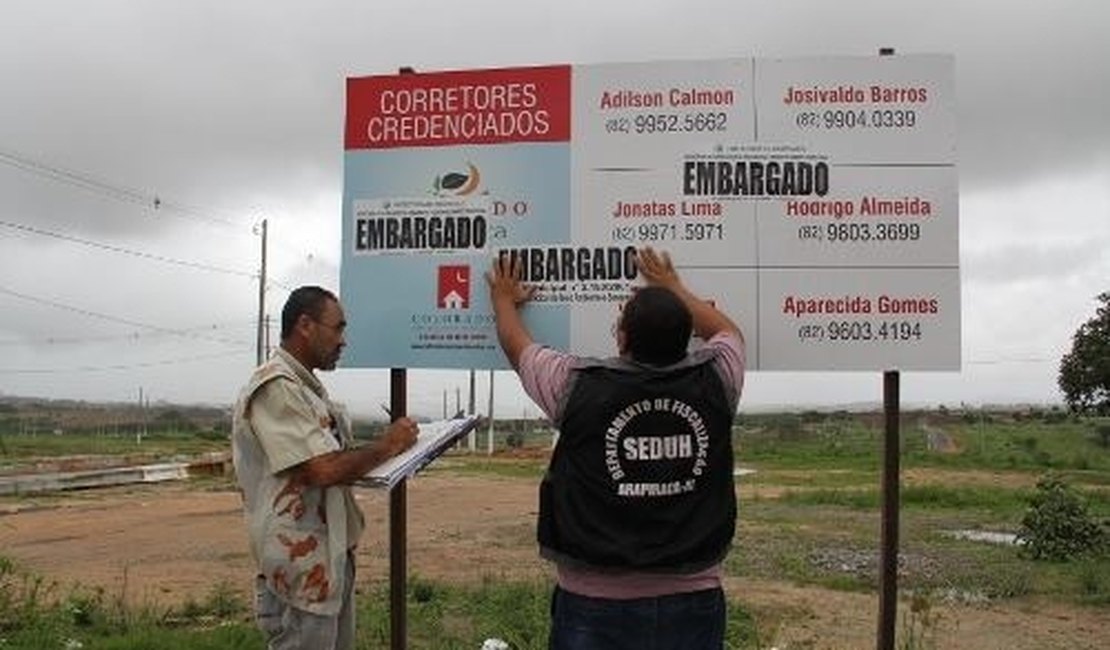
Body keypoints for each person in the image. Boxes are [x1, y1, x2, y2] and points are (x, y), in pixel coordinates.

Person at [487, 246, 745, 650]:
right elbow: (728, 332)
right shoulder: (718, 378)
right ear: (687, 338)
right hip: (694, 596)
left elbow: (518, 347)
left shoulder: (574, 386)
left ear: (621, 337)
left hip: (594, 602)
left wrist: (503, 299)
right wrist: (672, 286)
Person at [232, 286, 418, 650]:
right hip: (301, 566)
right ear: (305, 325)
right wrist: (388, 445)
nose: (343, 340)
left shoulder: (307, 388)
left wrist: (388, 451)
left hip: (325, 561)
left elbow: (335, 462)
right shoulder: (277, 387)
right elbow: (320, 470)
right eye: (337, 328)